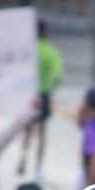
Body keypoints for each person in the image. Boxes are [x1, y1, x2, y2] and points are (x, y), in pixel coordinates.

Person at [21, 21, 63, 179]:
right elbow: (57, 75)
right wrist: (50, 87)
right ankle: (38, 168)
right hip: (44, 94)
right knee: (42, 133)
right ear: (45, 33)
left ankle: (23, 155)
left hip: (28, 95)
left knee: (27, 130)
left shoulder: (27, 50)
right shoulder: (51, 52)